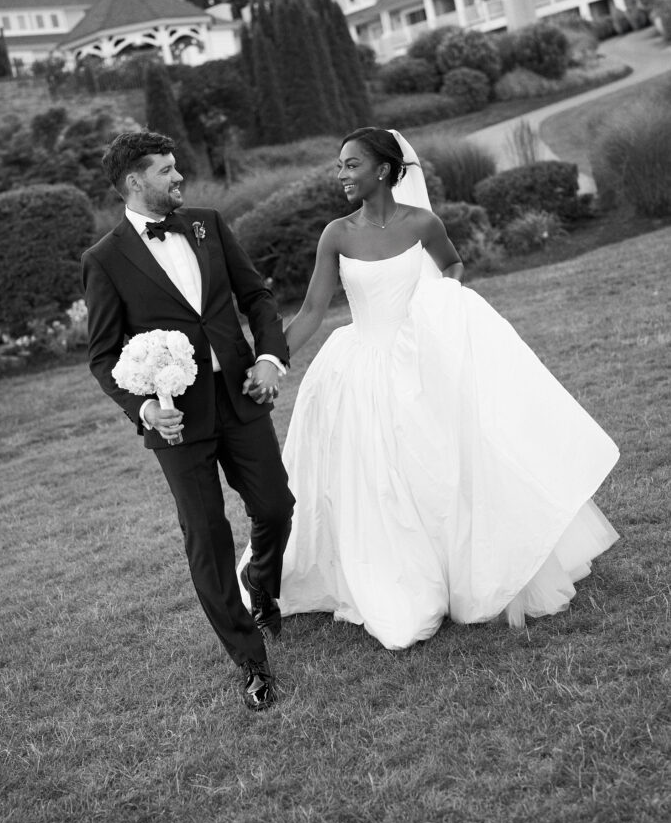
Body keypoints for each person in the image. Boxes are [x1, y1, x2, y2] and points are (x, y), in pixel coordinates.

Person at [241, 127, 619, 650]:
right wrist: (270, 362)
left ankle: (453, 570)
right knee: (373, 480)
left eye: (351, 164)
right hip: (358, 371)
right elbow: (310, 311)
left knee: (438, 469)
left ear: (383, 170)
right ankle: (391, 578)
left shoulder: (423, 223)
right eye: (339, 165)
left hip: (421, 364)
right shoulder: (337, 234)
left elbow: (454, 266)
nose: (341, 174)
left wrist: (442, 306)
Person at [82, 130, 294, 710]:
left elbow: (257, 297)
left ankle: (261, 584)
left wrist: (271, 359)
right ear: (135, 182)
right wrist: (146, 407)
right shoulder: (103, 260)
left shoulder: (207, 223)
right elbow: (103, 356)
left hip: (241, 395)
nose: (180, 179)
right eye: (167, 171)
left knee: (277, 506)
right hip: (175, 420)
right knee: (206, 537)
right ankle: (251, 661)